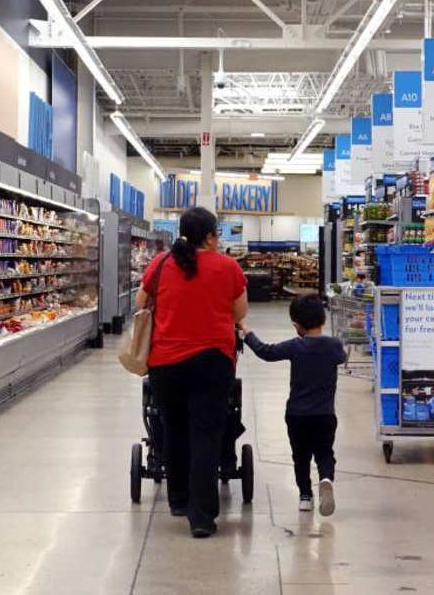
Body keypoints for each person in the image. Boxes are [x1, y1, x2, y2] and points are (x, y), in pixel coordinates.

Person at [137, 206, 247, 538]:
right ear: (211, 236)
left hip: (165, 362)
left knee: (174, 429)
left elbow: (142, 303)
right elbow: (239, 311)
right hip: (212, 361)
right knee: (206, 435)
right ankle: (201, 518)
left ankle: (179, 500)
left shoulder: (160, 263)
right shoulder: (227, 266)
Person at [239, 296, 345, 516]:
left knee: (300, 456)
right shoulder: (333, 346)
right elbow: (341, 357)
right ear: (322, 320)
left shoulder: (296, 346)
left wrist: (246, 333)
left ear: (297, 325)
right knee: (325, 452)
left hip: (297, 414)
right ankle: (326, 479)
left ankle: (305, 496)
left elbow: (266, 352)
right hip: (325, 414)